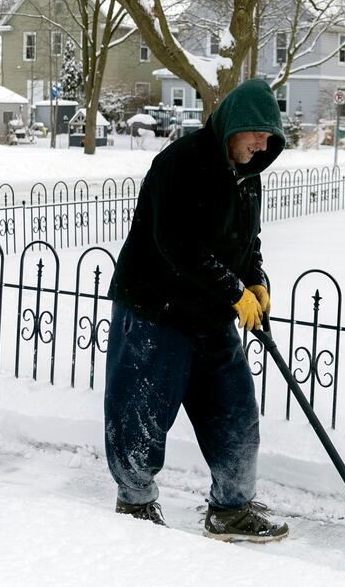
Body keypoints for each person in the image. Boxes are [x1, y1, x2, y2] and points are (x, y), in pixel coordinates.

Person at [103, 77, 289, 542]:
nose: (263, 144)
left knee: (236, 413)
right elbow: (176, 243)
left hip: (210, 315)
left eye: (270, 138)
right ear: (233, 126)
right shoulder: (181, 163)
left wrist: (255, 281)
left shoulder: (247, 178)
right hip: (155, 309)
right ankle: (135, 503)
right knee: (139, 415)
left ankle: (231, 510)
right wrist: (233, 290)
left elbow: (247, 242)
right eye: (257, 134)